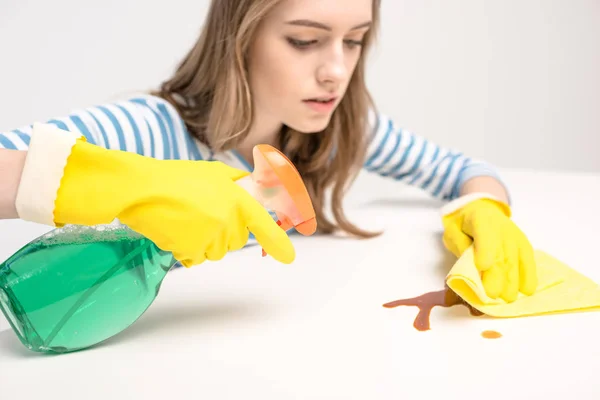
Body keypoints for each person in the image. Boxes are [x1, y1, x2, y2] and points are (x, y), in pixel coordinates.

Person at [0, 0, 536, 303]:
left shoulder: (337, 127)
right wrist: (113, 181)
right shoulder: (152, 129)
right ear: (241, 36)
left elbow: (462, 169)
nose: (336, 71)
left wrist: (485, 208)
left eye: (354, 41)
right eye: (305, 40)